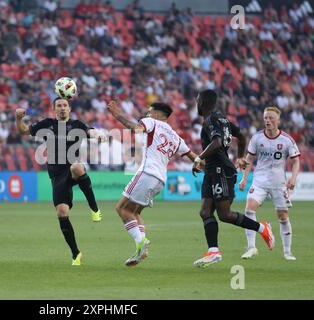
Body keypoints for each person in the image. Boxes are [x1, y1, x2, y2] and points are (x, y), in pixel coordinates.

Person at [107, 101, 201, 267]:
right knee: (135, 213)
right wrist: (202, 164)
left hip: (147, 172)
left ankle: (140, 241)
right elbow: (196, 158)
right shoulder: (176, 137)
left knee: (121, 208)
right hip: (160, 179)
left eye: (150, 111)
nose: (147, 114)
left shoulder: (152, 122)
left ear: (159, 114)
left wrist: (116, 115)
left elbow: (135, 129)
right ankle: (140, 251)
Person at [15, 97, 104, 266]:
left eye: (65, 105)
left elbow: (91, 131)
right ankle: (75, 254)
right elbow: (24, 131)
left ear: (69, 108)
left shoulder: (77, 125)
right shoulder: (47, 124)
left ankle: (94, 208)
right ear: (54, 109)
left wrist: (98, 134)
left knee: (77, 167)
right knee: (62, 213)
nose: (62, 108)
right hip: (56, 176)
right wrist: (18, 118)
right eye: (59, 106)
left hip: (71, 169)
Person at [192, 89, 275, 268]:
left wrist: (199, 158)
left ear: (203, 102)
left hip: (221, 170)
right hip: (212, 171)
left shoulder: (211, 120)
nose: (196, 104)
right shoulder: (222, 119)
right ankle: (213, 251)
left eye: (198, 100)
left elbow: (217, 142)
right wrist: (240, 157)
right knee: (205, 212)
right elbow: (242, 136)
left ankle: (263, 228)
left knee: (224, 214)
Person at [239, 106, 300, 260]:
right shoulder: (257, 138)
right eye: (266, 117)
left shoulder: (287, 140)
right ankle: (251, 247)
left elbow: (296, 161)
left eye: (271, 118)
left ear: (278, 120)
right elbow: (249, 159)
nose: (268, 120)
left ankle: (287, 251)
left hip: (278, 183)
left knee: (283, 215)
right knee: (249, 209)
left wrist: (293, 178)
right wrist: (244, 178)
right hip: (259, 181)